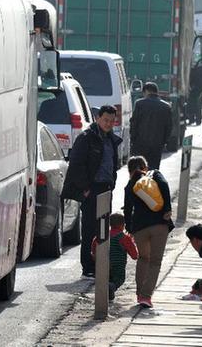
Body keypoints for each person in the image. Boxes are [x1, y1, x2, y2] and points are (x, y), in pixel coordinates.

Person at [62, 105, 122, 278]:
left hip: (106, 189)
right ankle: (88, 267)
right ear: (97, 118)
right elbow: (76, 164)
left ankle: (100, 264)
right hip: (92, 189)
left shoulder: (112, 139)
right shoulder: (86, 137)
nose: (108, 124)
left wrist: (113, 183)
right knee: (89, 230)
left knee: (102, 229)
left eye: (111, 121)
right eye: (105, 120)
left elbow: (113, 164)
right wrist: (85, 189)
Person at [124, 156, 172, 308]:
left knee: (143, 259)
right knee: (155, 261)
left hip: (140, 228)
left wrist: (130, 228)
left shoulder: (130, 186)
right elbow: (164, 185)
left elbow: (127, 210)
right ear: (145, 166)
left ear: (129, 170)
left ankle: (139, 293)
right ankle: (146, 296)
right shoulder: (155, 175)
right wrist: (167, 209)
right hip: (159, 225)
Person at [91, 213, 138, 301]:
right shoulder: (124, 237)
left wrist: (95, 257)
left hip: (103, 263)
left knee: (105, 279)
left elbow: (94, 248)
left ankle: (109, 294)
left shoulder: (102, 236)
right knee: (118, 280)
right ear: (123, 225)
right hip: (118, 265)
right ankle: (111, 288)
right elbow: (134, 255)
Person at [130, 82, 173, 169]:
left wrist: (133, 140)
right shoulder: (166, 106)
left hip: (140, 144)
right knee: (153, 170)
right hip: (157, 145)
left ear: (146, 91)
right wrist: (164, 142)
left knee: (140, 170)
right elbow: (169, 127)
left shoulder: (139, 104)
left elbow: (134, 124)